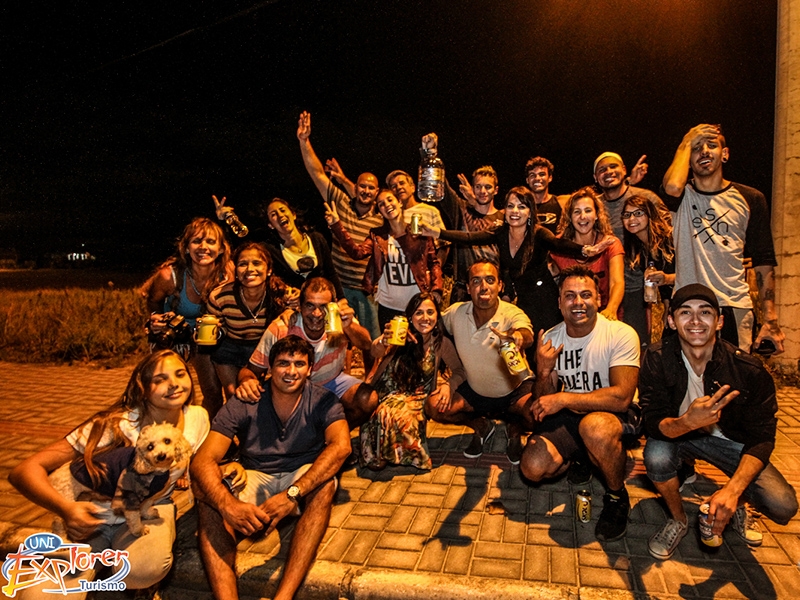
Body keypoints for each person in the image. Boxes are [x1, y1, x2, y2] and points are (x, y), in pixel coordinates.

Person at [9, 350, 211, 599]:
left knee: (143, 568)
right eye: (160, 379)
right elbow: (23, 471)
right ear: (142, 389)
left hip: (149, 510)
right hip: (89, 519)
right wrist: (66, 509)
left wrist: (232, 468)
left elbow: (203, 463)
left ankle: (129, 581)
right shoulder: (113, 425)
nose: (173, 384)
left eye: (180, 374)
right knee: (38, 596)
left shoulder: (198, 418)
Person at [639, 284, 797, 560]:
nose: (696, 321)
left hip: (730, 442)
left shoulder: (748, 370)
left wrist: (732, 491)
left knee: (782, 504)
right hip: (680, 435)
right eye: (685, 312)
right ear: (671, 321)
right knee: (656, 455)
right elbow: (652, 422)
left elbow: (762, 438)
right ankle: (678, 519)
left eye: (705, 312)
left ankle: (736, 505)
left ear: (720, 321)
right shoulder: (657, 358)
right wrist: (687, 422)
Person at [192, 335, 351, 600]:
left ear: (310, 369)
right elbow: (203, 459)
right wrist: (228, 506)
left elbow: (341, 447)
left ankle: (284, 596)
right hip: (255, 474)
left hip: (299, 476)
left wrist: (291, 495)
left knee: (325, 486)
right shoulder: (246, 400)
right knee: (207, 494)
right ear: (269, 367)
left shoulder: (323, 400)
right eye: (283, 363)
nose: (291, 371)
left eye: (299, 364)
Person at [521, 265, 640, 542]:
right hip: (574, 413)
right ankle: (584, 456)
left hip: (614, 414)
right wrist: (543, 372)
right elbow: (542, 399)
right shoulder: (551, 337)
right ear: (559, 302)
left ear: (598, 299)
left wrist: (564, 398)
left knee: (594, 428)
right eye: (570, 295)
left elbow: (622, 397)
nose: (578, 302)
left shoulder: (620, 334)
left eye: (586, 295)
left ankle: (616, 497)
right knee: (533, 467)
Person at [661, 124, 785, 353]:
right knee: (684, 375)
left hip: (733, 305)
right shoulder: (680, 197)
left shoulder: (750, 198)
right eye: (696, 148)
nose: (704, 151)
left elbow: (763, 260)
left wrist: (770, 319)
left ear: (725, 154)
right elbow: (672, 185)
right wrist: (687, 140)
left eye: (711, 145)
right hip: (687, 305)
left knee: (734, 374)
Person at [422, 186, 610, 335]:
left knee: (545, 342)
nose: (515, 211)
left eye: (522, 206)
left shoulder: (538, 233)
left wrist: (584, 249)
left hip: (544, 298)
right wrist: (437, 232)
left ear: (530, 211)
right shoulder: (501, 233)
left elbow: (557, 243)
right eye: (511, 206)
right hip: (521, 299)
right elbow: (470, 238)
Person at [426, 260, 535, 464]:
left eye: (490, 280)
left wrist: (518, 337)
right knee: (434, 406)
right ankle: (480, 425)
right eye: (476, 281)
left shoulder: (511, 313)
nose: (483, 286)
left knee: (537, 413)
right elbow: (431, 324)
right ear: (468, 288)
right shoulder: (456, 312)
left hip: (514, 391)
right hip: (475, 391)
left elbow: (526, 333)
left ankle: (515, 427)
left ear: (500, 286)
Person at [237, 277, 377, 427]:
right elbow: (250, 370)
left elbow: (366, 344)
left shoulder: (340, 322)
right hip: (292, 386)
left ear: (334, 306)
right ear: (300, 305)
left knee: (367, 400)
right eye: (310, 306)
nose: (316, 313)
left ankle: (327, 435)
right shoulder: (282, 328)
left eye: (323, 307)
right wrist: (247, 381)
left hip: (330, 382)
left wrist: (349, 326)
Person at [296, 111, 383, 338]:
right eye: (362, 186)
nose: (365, 191)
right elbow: (317, 173)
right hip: (339, 288)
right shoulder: (341, 202)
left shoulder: (382, 217)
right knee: (336, 339)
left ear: (377, 192)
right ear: (356, 187)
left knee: (370, 340)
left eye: (371, 188)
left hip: (366, 291)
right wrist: (304, 141)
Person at [361, 292, 466, 470]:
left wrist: (449, 386)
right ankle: (382, 452)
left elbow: (460, 370)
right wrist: (383, 341)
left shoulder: (440, 343)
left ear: (437, 316)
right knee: (385, 412)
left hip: (417, 398)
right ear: (410, 317)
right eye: (419, 313)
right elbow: (375, 352)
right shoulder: (399, 334)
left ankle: (396, 453)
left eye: (430, 312)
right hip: (388, 392)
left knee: (399, 415)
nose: (425, 318)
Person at [142, 217, 232, 415]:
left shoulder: (228, 274)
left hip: (205, 339)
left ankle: (205, 430)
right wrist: (156, 319)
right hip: (175, 336)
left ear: (221, 249)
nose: (203, 247)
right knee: (172, 391)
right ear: (186, 247)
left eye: (210, 241)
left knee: (213, 393)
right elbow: (153, 302)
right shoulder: (170, 276)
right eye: (196, 241)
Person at [325, 188, 443, 328]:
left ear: (399, 202)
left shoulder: (419, 232)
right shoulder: (378, 236)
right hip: (388, 307)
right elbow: (357, 253)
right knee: (390, 342)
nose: (387, 205)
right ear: (380, 211)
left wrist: (437, 289)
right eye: (381, 204)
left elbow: (433, 263)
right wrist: (337, 225)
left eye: (390, 200)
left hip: (417, 305)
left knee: (417, 341)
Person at [593, 152, 670, 344]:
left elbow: (670, 235)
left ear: (624, 170)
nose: (608, 172)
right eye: (602, 170)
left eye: (613, 166)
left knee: (637, 345)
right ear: (595, 177)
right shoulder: (593, 205)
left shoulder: (645, 198)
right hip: (603, 290)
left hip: (637, 289)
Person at [207, 242, 290, 412]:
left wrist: (291, 311)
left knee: (258, 394)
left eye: (257, 263)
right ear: (236, 271)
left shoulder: (282, 294)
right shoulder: (219, 296)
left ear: (268, 270)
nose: (249, 269)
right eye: (243, 264)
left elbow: (305, 308)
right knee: (234, 395)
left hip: (261, 349)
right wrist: (213, 331)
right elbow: (215, 331)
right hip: (229, 348)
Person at [550, 187, 625, 321]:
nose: (583, 216)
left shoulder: (610, 244)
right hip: (573, 317)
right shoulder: (559, 245)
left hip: (605, 315)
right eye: (577, 212)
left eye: (588, 210)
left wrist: (611, 309)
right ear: (570, 217)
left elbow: (617, 282)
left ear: (596, 215)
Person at [260, 197, 345, 300]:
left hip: (321, 301)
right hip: (293, 304)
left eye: (282, 210)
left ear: (293, 215)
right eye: (273, 214)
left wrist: (341, 299)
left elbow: (331, 273)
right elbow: (272, 281)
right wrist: (287, 292)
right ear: (270, 225)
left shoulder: (317, 239)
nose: (280, 215)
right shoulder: (271, 251)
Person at [621, 195, 675, 346]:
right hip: (670, 305)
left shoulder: (670, 239)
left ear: (649, 214)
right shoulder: (639, 249)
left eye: (638, 213)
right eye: (627, 215)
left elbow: (694, 273)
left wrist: (667, 279)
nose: (632, 219)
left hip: (689, 301)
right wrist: (666, 306)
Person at [385, 169, 450, 265]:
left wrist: (436, 269)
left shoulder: (430, 211)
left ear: (413, 187)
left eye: (402, 183)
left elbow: (443, 245)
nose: (398, 187)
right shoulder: (389, 215)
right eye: (393, 186)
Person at [524, 156, 563, 234]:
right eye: (532, 175)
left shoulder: (561, 203)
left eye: (542, 174)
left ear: (550, 178)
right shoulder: (521, 205)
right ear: (527, 180)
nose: (537, 178)